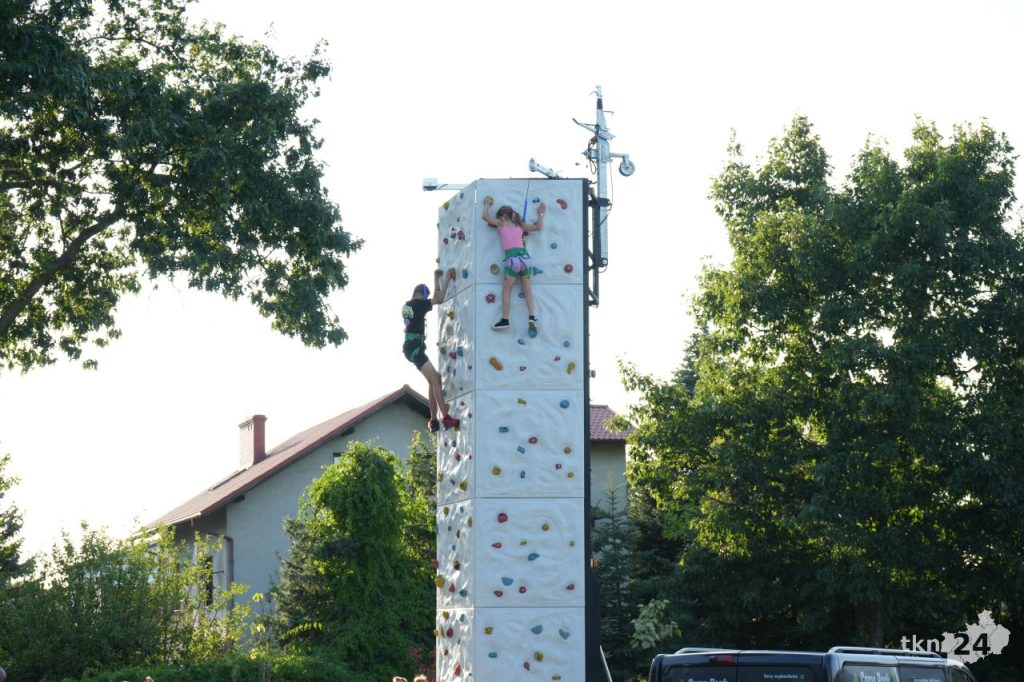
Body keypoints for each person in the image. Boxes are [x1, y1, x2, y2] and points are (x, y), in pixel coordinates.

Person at [403, 268, 459, 432]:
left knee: (433, 380)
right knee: (435, 377)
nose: (426, 300)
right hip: (415, 348)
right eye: (425, 297)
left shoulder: (408, 305)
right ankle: (446, 418)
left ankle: (433, 420)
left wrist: (435, 279)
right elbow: (439, 299)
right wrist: (446, 278)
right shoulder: (417, 304)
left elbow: (434, 298)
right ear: (419, 294)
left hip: (412, 347)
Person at [481, 196, 545, 331]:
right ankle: (532, 317)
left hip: (513, 259)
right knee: (527, 290)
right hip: (525, 258)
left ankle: (505, 320)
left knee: (507, 290)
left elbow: (485, 216)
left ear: (502, 215)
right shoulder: (520, 225)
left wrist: (486, 204)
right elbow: (538, 227)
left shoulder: (502, 223)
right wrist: (540, 213)